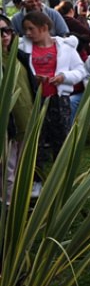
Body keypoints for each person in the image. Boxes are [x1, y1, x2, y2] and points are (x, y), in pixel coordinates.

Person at [20, 12, 86, 163]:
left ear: (44, 27)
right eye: (26, 30)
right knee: (35, 140)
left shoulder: (66, 47)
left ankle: (61, 176)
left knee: (62, 138)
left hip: (59, 99)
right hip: (33, 100)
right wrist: (32, 78)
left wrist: (64, 77)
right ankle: (34, 180)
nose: (28, 33)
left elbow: (80, 70)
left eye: (31, 29)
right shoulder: (22, 47)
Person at [1, 15, 38, 198]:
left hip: (26, 118)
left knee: (23, 165)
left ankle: (21, 202)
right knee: (7, 167)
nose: (4, 35)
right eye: (0, 32)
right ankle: (8, 206)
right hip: (7, 123)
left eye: (7, 30)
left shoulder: (19, 55)